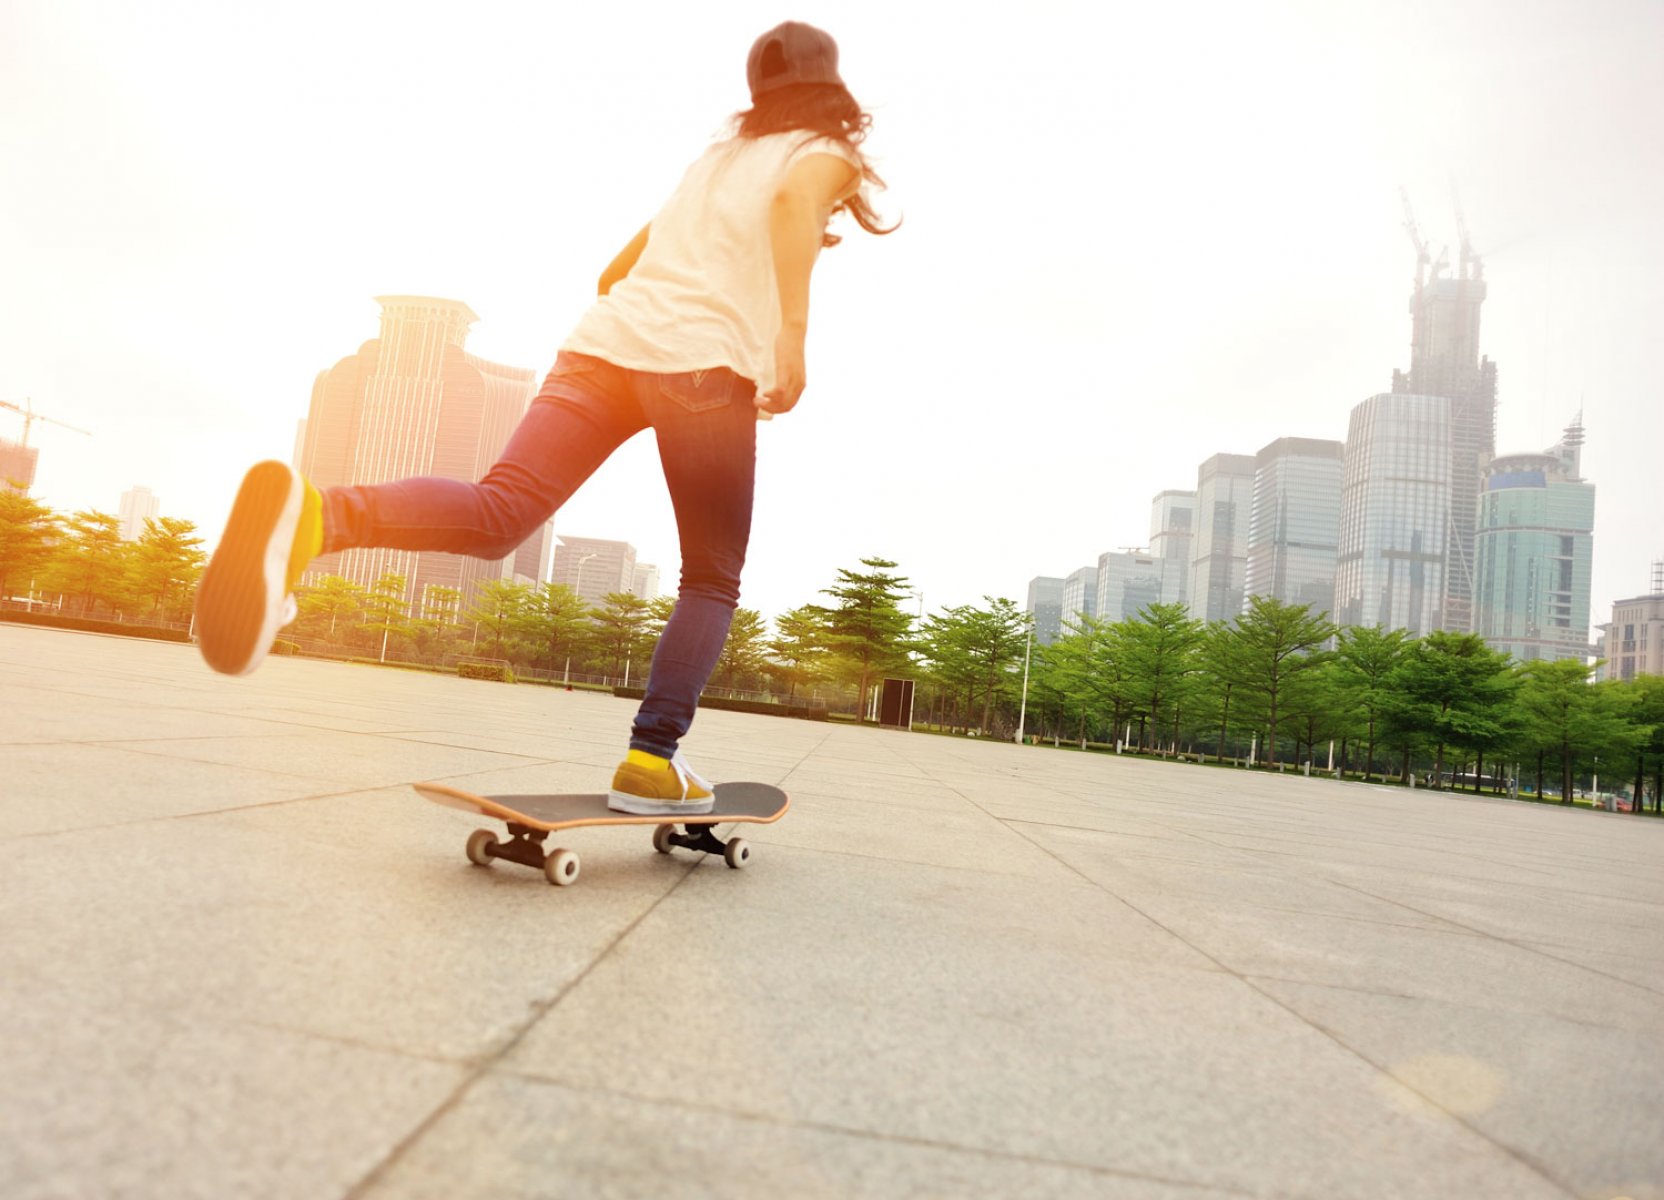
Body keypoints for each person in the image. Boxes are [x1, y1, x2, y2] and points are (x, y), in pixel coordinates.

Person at [193, 21, 894, 817]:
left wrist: (670, 319)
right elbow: (795, 206)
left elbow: (614, 273)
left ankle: (319, 513)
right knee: (710, 575)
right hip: (703, 370)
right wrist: (786, 342)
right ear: (829, 90)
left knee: (499, 512)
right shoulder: (818, 153)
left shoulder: (715, 163)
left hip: (599, 352)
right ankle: (650, 759)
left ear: (756, 92)